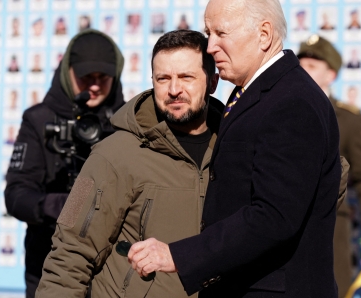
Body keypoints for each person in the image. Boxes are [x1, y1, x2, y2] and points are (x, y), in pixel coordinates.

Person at [127, 1, 349, 297]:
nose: (210, 46)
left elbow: (274, 216)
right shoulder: (259, 93)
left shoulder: (291, 102)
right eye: (209, 32)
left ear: (264, 34)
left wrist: (177, 255)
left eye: (221, 33)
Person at [36, 29, 224, 298]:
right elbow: (68, 250)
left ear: (213, 82)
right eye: (163, 79)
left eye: (186, 77)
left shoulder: (233, 148)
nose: (173, 89)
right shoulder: (109, 154)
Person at [4, 29, 125, 298]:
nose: (94, 86)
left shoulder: (126, 122)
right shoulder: (39, 120)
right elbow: (16, 195)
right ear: (67, 72)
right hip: (49, 264)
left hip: (111, 270)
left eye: (103, 77)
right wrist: (63, 206)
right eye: (86, 77)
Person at [297, 35, 361, 298]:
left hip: (331, 226)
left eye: (312, 66)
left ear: (330, 75)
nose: (303, 71)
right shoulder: (280, 108)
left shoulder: (348, 119)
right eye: (300, 65)